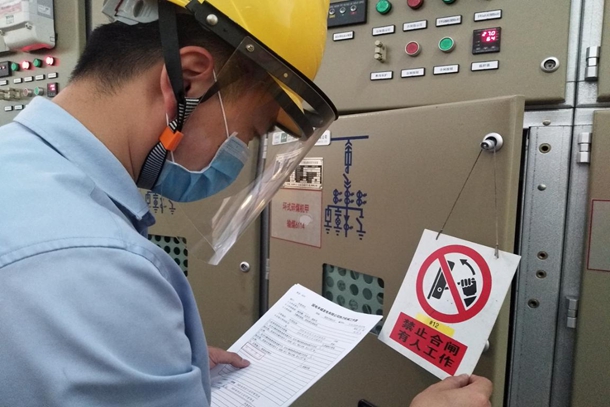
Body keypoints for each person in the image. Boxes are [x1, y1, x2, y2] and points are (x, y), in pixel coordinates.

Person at [0, 0, 492, 405]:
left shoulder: (19, 165)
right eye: (249, 132)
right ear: (188, 79)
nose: (236, 155)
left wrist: (153, 364)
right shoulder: (95, 266)